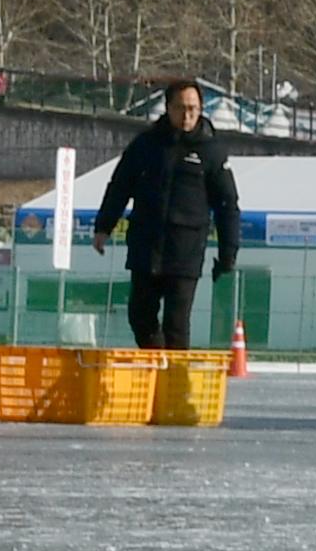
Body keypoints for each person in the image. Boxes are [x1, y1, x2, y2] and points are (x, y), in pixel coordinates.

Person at [94, 78, 241, 352]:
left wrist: (228, 252)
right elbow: (120, 186)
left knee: (176, 324)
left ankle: (173, 384)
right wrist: (103, 226)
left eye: (193, 109)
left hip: (185, 250)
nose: (187, 115)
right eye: (181, 108)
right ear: (168, 107)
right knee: (140, 317)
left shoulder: (211, 150)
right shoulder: (146, 144)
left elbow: (227, 204)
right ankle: (157, 367)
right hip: (145, 245)